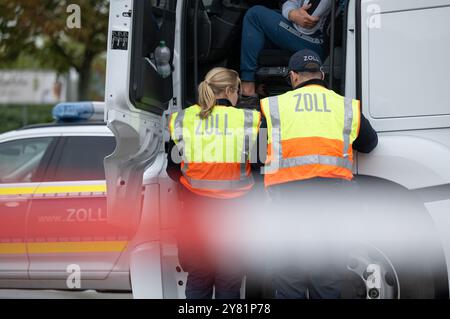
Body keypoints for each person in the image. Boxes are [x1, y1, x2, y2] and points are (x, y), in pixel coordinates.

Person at [259, 49, 378, 299]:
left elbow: (257, 153)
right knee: (327, 284)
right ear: (321, 75)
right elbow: (369, 143)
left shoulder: (274, 106)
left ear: (293, 76)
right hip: (332, 210)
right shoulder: (345, 106)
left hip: (287, 209)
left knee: (289, 283)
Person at [167, 67, 261, 299]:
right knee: (229, 281)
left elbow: (171, 169)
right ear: (230, 90)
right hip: (235, 216)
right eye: (237, 90)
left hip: (195, 214)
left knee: (199, 277)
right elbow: (260, 168)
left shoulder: (182, 119)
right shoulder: (249, 119)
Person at [240, 0, 333, 106]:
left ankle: (247, 90)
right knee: (266, 17)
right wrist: (291, 13)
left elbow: (305, 23)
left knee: (254, 15)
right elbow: (292, 2)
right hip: (306, 31)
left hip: (315, 39)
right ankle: (260, 85)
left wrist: (292, 13)